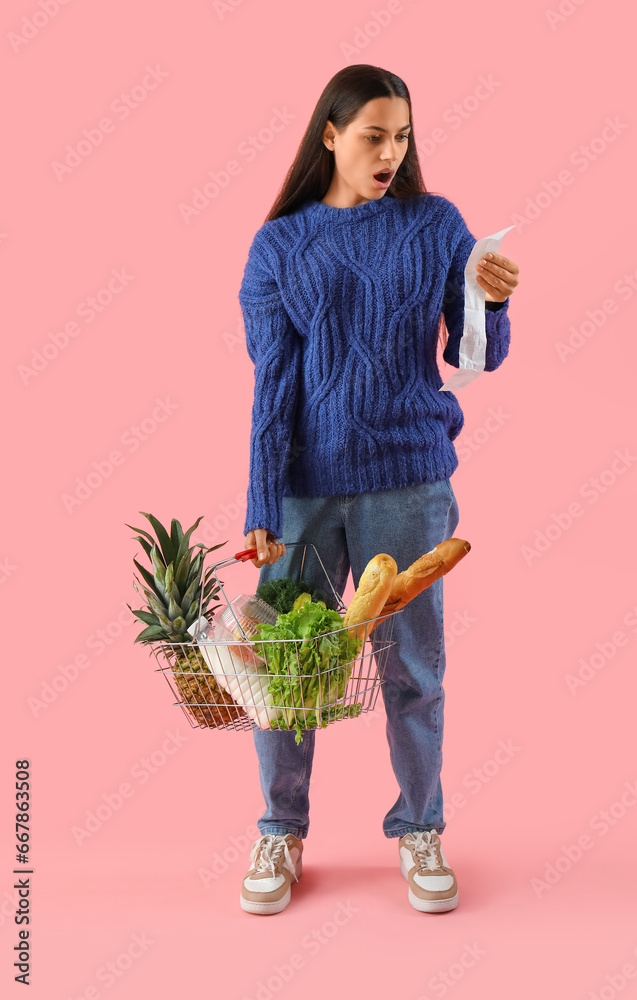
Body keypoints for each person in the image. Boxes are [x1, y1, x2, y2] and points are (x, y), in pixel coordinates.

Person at [236, 64, 520, 915]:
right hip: (304, 490)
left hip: (408, 478)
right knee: (286, 666)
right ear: (329, 134)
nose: (390, 152)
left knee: (413, 671)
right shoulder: (279, 245)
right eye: (372, 136)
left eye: (401, 136)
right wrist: (259, 506)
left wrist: (493, 303)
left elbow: (477, 357)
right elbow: (270, 386)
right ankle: (280, 828)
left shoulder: (437, 225)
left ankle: (419, 826)